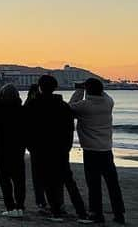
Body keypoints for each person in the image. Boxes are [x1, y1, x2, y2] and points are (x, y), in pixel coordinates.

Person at [26, 75, 87, 222]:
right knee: (67, 180)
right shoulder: (63, 106)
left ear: (40, 87)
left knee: (47, 180)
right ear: (55, 88)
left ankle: (56, 211)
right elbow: (69, 129)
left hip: (41, 148)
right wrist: (67, 146)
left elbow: (26, 128)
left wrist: (31, 146)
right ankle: (81, 212)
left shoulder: (32, 105)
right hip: (60, 148)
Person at [70, 78, 125, 225]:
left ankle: (96, 213)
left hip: (91, 150)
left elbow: (70, 107)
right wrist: (89, 87)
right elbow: (104, 94)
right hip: (106, 148)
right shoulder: (108, 103)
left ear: (88, 90)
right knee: (113, 184)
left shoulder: (84, 105)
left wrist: (79, 90)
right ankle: (119, 214)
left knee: (94, 184)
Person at [0, 84, 26, 218]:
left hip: (2, 147)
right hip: (18, 147)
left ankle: (10, 207)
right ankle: (20, 207)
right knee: (19, 179)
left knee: (4, 179)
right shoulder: (22, 110)